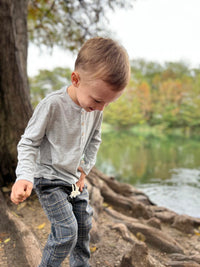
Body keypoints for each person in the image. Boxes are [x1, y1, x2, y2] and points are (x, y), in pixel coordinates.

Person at [10, 37, 130, 267]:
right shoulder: (53, 105)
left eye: (108, 103)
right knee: (66, 231)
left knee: (84, 226)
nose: (101, 108)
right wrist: (24, 176)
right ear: (75, 79)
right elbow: (28, 143)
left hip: (74, 180)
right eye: (97, 100)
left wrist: (84, 170)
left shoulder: (95, 108)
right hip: (48, 179)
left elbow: (95, 139)